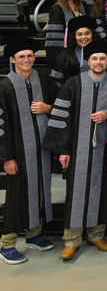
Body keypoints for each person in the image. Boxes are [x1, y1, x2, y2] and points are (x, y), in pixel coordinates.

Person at [43, 41, 107, 261]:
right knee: (77, 192)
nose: (99, 62)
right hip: (77, 149)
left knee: (102, 191)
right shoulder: (73, 83)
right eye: (95, 58)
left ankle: (96, 234)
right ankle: (72, 239)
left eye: (103, 59)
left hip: (104, 149)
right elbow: (61, 117)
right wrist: (62, 149)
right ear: (88, 61)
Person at [0, 39, 58, 265]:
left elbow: (60, 105)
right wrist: (7, 157)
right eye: (21, 56)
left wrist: (48, 108)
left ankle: (34, 235)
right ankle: (7, 244)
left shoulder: (42, 80)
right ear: (12, 59)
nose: (27, 60)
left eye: (30, 56)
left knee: (40, 191)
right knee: (16, 196)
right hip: (17, 151)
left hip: (41, 149)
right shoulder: (4, 86)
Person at [45, 0, 91, 70]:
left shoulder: (83, 5)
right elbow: (55, 37)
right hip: (68, 55)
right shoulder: (57, 9)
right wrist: (59, 59)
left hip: (84, 50)